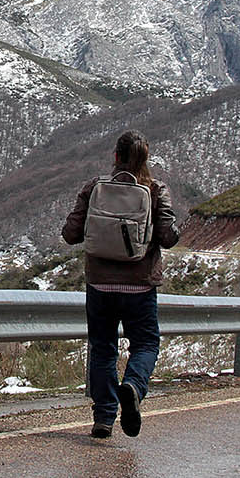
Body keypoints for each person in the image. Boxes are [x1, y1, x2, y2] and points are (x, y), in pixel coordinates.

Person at [61, 130, 179, 439]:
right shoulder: (155, 190)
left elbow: (70, 234)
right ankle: (134, 387)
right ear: (146, 159)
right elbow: (168, 237)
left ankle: (103, 418)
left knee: (102, 350)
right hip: (140, 286)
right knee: (146, 344)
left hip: (100, 286)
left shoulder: (94, 188)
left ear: (115, 156)